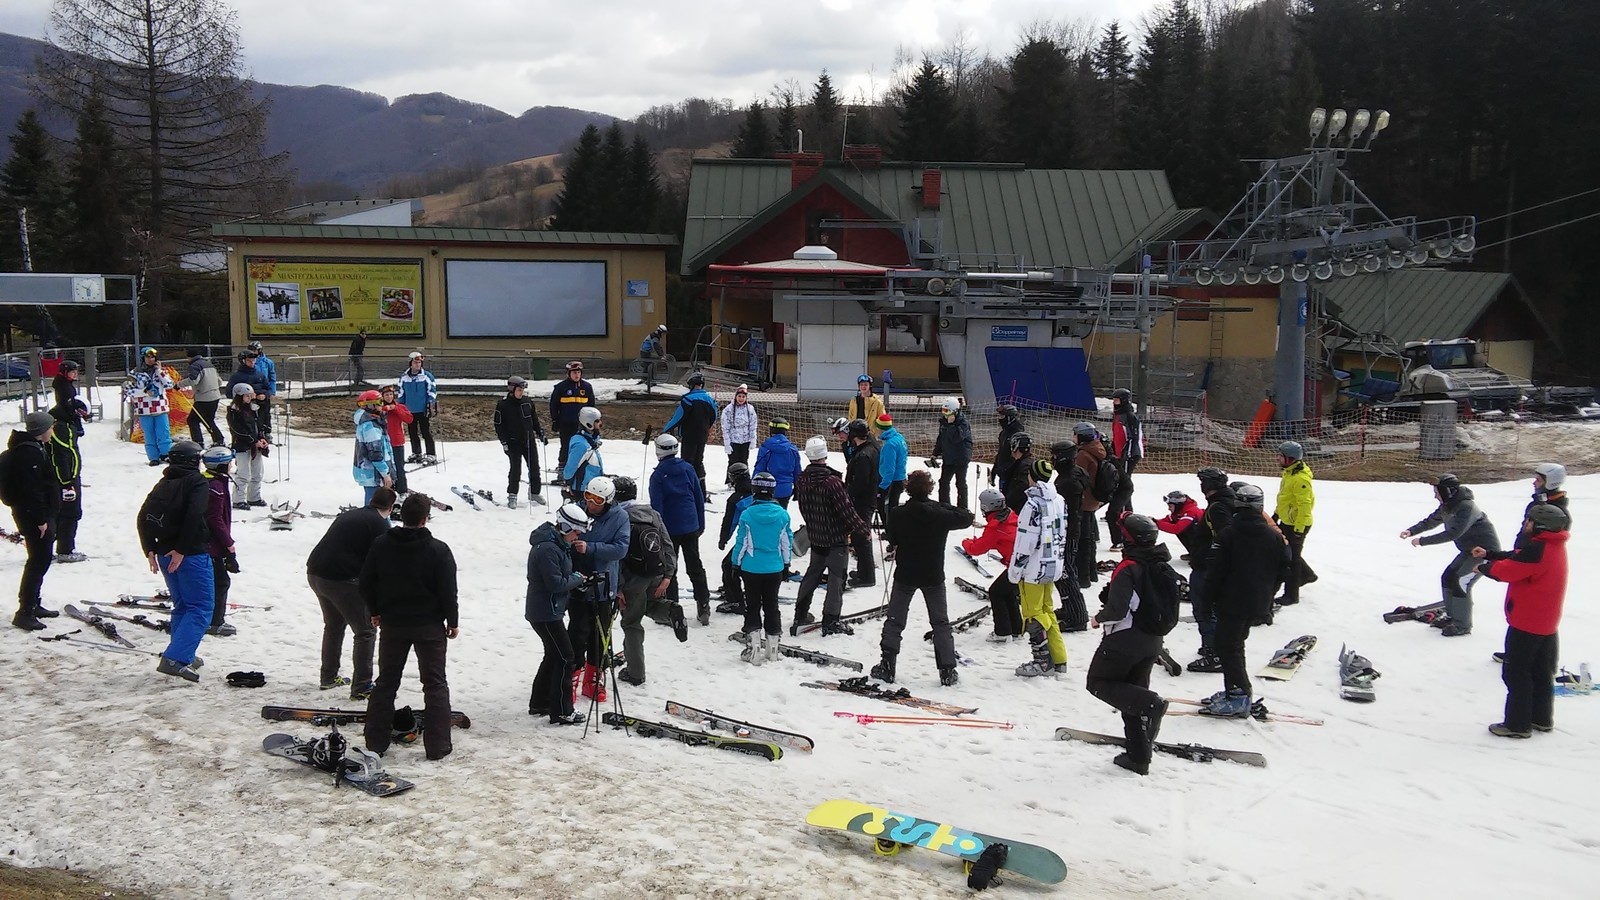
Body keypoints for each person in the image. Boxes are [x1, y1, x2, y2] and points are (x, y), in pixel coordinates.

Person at [360, 494, 459, 759]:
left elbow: (366, 581)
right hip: (429, 626)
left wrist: (375, 610)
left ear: (401, 516)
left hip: (393, 623)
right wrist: (452, 621)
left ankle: (375, 742)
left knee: (386, 682)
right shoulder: (438, 550)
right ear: (425, 519)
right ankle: (438, 747)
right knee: (435, 684)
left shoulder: (382, 544)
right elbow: (448, 590)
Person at [1085, 513, 1179, 775]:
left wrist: (1098, 619)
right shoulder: (1161, 564)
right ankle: (1138, 757)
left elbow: (1117, 610)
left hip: (1124, 639)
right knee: (1131, 696)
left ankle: (1152, 704)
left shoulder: (1129, 567)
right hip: (1152, 641)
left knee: (1098, 682)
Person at [1476, 504, 1570, 738]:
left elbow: (1508, 571)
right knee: (1540, 672)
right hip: (1546, 622)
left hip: (1526, 622)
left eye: (1529, 521)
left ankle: (1517, 725)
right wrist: (1490, 554)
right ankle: (1541, 718)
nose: (1526, 524)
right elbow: (1519, 556)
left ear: (1539, 525)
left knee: (1516, 673)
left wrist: (1485, 568)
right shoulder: (1552, 545)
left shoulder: (1537, 549)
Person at [871, 470, 973, 686]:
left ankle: (887, 665)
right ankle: (947, 670)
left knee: (895, 619)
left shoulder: (898, 513)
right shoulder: (940, 514)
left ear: (908, 489)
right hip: (932, 574)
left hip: (906, 573)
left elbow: (892, 538)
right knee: (940, 622)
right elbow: (966, 517)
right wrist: (940, 505)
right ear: (930, 488)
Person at [1199, 483, 1289, 717]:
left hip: (1231, 601)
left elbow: (1215, 571)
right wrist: (1268, 594)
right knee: (1235, 645)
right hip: (1257, 601)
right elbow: (1284, 569)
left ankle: (1239, 694)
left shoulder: (1228, 534)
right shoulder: (1273, 536)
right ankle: (1237, 690)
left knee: (1227, 647)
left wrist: (1206, 600)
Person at [136, 441, 214, 681]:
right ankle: (176, 658)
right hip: (189, 555)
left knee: (182, 606)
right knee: (200, 607)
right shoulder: (197, 482)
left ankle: (182, 651)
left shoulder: (164, 482)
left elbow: (143, 515)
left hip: (164, 552)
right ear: (193, 460)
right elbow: (195, 516)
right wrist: (182, 549)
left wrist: (149, 548)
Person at [306, 488, 396, 699]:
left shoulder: (352, 514)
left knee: (334, 625)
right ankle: (362, 687)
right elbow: (381, 562)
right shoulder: (379, 524)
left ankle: (328, 677)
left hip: (315, 573)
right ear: (391, 508)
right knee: (365, 631)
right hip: (340, 580)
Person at [1400, 474, 1500, 637]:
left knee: (1460, 581)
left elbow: (1453, 533)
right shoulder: (1449, 506)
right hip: (1468, 551)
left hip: (1485, 553)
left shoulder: (1466, 507)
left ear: (1447, 492)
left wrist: (1423, 541)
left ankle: (1462, 624)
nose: (1435, 496)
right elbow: (1431, 520)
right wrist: (1411, 531)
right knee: (1448, 577)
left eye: (1437, 492)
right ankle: (1452, 617)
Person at [793, 435, 870, 636]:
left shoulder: (801, 479)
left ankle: (800, 614)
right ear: (824, 454)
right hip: (835, 539)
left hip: (816, 536)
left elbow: (803, 507)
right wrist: (863, 530)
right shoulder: (832, 483)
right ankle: (831, 620)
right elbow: (847, 511)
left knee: (812, 575)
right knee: (836, 580)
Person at [526, 502, 592, 725]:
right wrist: (577, 579)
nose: (577, 537)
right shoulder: (548, 549)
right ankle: (562, 710)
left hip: (549, 610)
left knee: (554, 655)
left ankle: (540, 702)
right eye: (576, 532)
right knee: (565, 657)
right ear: (565, 527)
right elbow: (555, 583)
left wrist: (575, 581)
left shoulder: (557, 545)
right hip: (546, 612)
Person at [615, 475, 682, 686]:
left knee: (631, 623)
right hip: (656, 573)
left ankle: (635, 673)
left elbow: (618, 556)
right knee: (651, 604)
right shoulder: (652, 513)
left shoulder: (619, 518)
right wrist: (668, 575)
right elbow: (667, 544)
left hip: (632, 580)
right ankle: (669, 610)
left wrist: (618, 587)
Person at [569, 476, 630, 704]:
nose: (591, 503)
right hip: (578, 583)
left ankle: (593, 679)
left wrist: (591, 548)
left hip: (604, 586)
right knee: (577, 633)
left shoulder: (620, 517)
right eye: (588, 496)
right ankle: (571, 677)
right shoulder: (576, 510)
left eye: (598, 500)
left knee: (600, 635)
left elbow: (620, 549)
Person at [1010, 459, 1071, 678]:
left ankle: (1042, 660)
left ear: (1032, 477)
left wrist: (1015, 569)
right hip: (1052, 564)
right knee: (1048, 610)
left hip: (1033, 569)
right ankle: (1059, 658)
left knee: (1033, 613)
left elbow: (1025, 542)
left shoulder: (1032, 505)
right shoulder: (1059, 500)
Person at [3, 412, 61, 630]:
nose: (52, 430)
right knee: (38, 561)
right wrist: (40, 519)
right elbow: (31, 490)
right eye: (50, 427)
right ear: (42, 430)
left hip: (36, 514)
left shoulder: (34, 448)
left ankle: (33, 604)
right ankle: (25, 611)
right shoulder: (29, 454)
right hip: (33, 516)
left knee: (40, 560)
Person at [732, 472, 794, 664]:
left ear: (754, 490)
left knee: (752, 605)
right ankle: (773, 647)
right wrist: (786, 563)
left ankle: (754, 646)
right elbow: (786, 542)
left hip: (751, 568)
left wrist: (735, 563)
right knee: (771, 605)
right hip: (774, 567)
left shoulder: (747, 514)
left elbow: (741, 542)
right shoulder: (783, 515)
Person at [650, 433, 711, 624]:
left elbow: (657, 508)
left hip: (669, 529)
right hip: (691, 524)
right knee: (695, 565)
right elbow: (699, 497)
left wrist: (657, 531)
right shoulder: (688, 468)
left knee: (670, 569)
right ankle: (703, 603)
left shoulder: (658, 476)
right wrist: (700, 523)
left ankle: (672, 608)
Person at [1185, 468, 1238, 673]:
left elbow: (1225, 538)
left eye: (1203, 482)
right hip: (1212, 567)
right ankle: (1213, 647)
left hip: (1208, 569)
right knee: (1210, 610)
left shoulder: (1218, 507)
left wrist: (1210, 560)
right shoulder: (1225, 502)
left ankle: (1214, 653)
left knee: (1204, 610)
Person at [962, 488, 1021, 643]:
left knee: (996, 592)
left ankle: (1002, 632)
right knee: (1007, 592)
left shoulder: (996, 526)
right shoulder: (1011, 515)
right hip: (1022, 563)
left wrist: (966, 542)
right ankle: (1016, 628)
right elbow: (1003, 539)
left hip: (1018, 566)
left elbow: (977, 549)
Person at [201, 446, 240, 638]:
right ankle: (215, 622)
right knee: (220, 582)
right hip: (211, 544)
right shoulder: (215, 487)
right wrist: (228, 543)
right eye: (229, 462)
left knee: (215, 581)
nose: (232, 465)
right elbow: (215, 519)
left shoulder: (210, 481)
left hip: (209, 543)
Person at [494, 375, 549, 509]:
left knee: (534, 467)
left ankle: (534, 492)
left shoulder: (527, 402)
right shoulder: (503, 405)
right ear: (512, 389)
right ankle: (512, 494)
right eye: (519, 390)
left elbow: (534, 420)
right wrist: (504, 442)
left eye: (522, 390)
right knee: (515, 469)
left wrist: (540, 433)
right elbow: (499, 425)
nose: (521, 393)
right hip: (513, 443)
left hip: (528, 440)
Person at [1273, 440, 1317, 606]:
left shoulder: (1300, 479)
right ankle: (1307, 575)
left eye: (1281, 456)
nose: (1278, 458)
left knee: (1292, 559)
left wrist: (1299, 530)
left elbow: (1305, 506)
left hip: (1297, 524)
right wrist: (1277, 513)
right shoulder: (1289, 473)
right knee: (1287, 552)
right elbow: (1285, 498)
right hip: (1288, 520)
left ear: (1290, 459)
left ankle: (1291, 595)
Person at [662, 372, 718, 497]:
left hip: (689, 435)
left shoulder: (688, 400)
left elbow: (678, 418)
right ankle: (701, 492)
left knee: (687, 463)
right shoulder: (710, 400)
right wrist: (706, 428)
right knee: (699, 462)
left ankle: (688, 491)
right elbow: (714, 417)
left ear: (691, 385)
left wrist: (666, 429)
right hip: (702, 435)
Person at [1105, 388, 1143, 548]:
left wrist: (1126, 454)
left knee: (1124, 483)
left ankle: (1124, 511)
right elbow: (1117, 435)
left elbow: (1133, 438)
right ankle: (1122, 509)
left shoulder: (1129, 415)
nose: (1114, 402)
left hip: (1129, 455)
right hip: (1120, 453)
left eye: (1117, 400)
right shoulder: (1117, 415)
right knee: (1121, 482)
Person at [843, 421, 879, 587]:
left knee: (861, 537)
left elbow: (860, 483)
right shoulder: (870, 447)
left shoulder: (864, 455)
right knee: (859, 536)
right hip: (866, 498)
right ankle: (863, 571)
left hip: (863, 501)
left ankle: (867, 577)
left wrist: (847, 493)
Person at [1071, 422, 1107, 588]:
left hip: (1085, 501)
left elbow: (1076, 477)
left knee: (1083, 541)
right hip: (1093, 501)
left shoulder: (1083, 455)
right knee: (1090, 539)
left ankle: (1083, 577)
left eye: (1075, 434)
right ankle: (1091, 573)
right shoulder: (1097, 449)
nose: (1073, 437)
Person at [715, 463, 754, 614]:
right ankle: (734, 588)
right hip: (765, 539)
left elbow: (730, 522)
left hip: (747, 540)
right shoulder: (758, 491)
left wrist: (723, 539)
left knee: (729, 565)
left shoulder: (736, 499)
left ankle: (735, 600)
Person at [126, 347, 175, 465]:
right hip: (144, 409)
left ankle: (166, 454)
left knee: (164, 433)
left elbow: (169, 385)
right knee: (149, 435)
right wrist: (144, 392)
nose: (150, 359)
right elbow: (129, 391)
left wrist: (159, 371)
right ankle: (153, 457)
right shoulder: (135, 373)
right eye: (147, 357)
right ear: (142, 358)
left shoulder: (162, 371)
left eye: (153, 357)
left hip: (160, 407)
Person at [47, 416, 86, 564]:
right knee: (69, 514)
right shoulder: (61, 428)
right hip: (66, 480)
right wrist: (67, 481)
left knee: (57, 514)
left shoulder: (62, 424)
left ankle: (46, 549)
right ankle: (65, 550)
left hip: (63, 478)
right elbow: (62, 456)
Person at [226, 383, 270, 509]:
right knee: (243, 474)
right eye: (247, 396)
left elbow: (259, 425)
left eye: (251, 396)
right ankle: (238, 499)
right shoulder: (234, 412)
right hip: (242, 446)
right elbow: (238, 431)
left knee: (257, 473)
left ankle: (254, 497)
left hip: (256, 446)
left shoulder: (253, 409)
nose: (250, 398)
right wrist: (252, 441)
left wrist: (262, 438)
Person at [550, 360, 597, 474]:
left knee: (583, 446)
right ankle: (562, 468)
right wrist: (555, 420)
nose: (577, 375)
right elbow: (553, 405)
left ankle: (582, 466)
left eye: (579, 372)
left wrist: (593, 423)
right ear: (569, 373)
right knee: (566, 446)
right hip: (566, 423)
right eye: (574, 372)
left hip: (582, 425)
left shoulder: (587, 387)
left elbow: (591, 406)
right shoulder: (561, 387)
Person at [352, 390, 395, 506]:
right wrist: (385, 474)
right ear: (371, 406)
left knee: (374, 503)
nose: (382, 405)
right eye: (380, 402)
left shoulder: (372, 422)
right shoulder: (371, 426)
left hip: (371, 473)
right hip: (374, 473)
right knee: (375, 505)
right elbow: (375, 453)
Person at [930, 398, 973, 509]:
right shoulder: (944, 422)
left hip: (961, 458)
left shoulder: (963, 423)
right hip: (949, 457)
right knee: (943, 482)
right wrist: (935, 453)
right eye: (943, 411)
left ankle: (962, 508)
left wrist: (950, 425)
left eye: (947, 411)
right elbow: (941, 438)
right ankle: (944, 506)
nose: (945, 414)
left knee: (960, 483)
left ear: (955, 411)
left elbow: (956, 438)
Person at [176, 350, 226, 446]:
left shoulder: (195, 365)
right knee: (208, 420)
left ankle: (198, 442)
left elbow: (193, 380)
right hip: (215, 396)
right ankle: (219, 440)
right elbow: (219, 381)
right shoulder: (209, 364)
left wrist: (179, 384)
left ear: (189, 357)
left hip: (203, 398)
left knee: (192, 420)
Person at [397, 351, 438, 463]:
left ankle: (431, 453)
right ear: (410, 363)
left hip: (423, 409)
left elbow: (432, 391)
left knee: (425, 431)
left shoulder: (426, 376)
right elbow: (401, 393)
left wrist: (430, 403)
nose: (418, 364)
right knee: (412, 432)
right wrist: (401, 407)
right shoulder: (404, 377)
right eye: (415, 362)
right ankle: (416, 452)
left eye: (419, 362)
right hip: (410, 410)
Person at [754, 417, 802, 507]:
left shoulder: (765, 448)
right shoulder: (793, 449)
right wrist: (798, 489)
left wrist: (753, 487)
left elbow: (759, 469)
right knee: (781, 512)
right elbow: (797, 472)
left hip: (767, 490)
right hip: (786, 490)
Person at [377, 383, 413, 496]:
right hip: (383, 443)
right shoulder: (378, 408)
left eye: (391, 394)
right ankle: (386, 490)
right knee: (386, 468)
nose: (389, 397)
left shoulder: (399, 407)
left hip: (397, 442)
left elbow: (409, 419)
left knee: (399, 467)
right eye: (386, 395)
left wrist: (395, 409)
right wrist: (385, 409)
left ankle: (402, 490)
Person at [563, 406, 606, 495]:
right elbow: (571, 466)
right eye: (597, 421)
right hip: (582, 488)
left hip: (592, 486)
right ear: (588, 423)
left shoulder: (591, 440)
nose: (600, 423)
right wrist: (568, 482)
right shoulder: (581, 445)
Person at [720, 384, 758, 479]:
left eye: (743, 397)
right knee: (733, 462)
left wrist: (753, 440)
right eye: (739, 396)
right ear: (736, 396)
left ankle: (744, 480)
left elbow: (753, 426)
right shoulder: (728, 409)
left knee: (744, 461)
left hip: (745, 441)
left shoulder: (750, 409)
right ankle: (731, 480)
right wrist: (727, 444)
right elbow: (725, 427)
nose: (741, 399)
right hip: (733, 441)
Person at [874, 413, 908, 515]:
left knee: (886, 511)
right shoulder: (899, 438)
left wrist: (882, 487)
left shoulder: (890, 445)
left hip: (891, 482)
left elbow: (889, 469)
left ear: (880, 428)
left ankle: (888, 525)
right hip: (900, 478)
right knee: (893, 508)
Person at [51, 359, 90, 438]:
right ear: (65, 373)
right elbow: (67, 404)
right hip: (66, 416)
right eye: (72, 372)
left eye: (76, 372)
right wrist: (79, 411)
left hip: (66, 414)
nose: (75, 374)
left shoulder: (65, 383)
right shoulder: (64, 386)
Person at [992, 404, 1025, 493]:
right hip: (1003, 474)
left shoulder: (1017, 433)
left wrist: (1006, 470)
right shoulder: (1004, 433)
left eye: (1002, 416)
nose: (1000, 419)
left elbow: (1019, 457)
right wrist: (995, 470)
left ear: (1010, 417)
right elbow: (1001, 452)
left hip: (1012, 476)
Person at [1002, 432, 1035, 514]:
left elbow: (1022, 487)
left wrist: (1007, 500)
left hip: (1018, 510)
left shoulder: (1024, 465)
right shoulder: (1022, 462)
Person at [247, 341, 277, 418]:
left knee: (264, 415)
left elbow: (272, 378)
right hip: (252, 392)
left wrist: (272, 392)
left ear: (259, 350)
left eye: (254, 350)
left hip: (264, 392)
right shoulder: (248, 362)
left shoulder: (268, 362)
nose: (252, 352)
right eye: (250, 350)